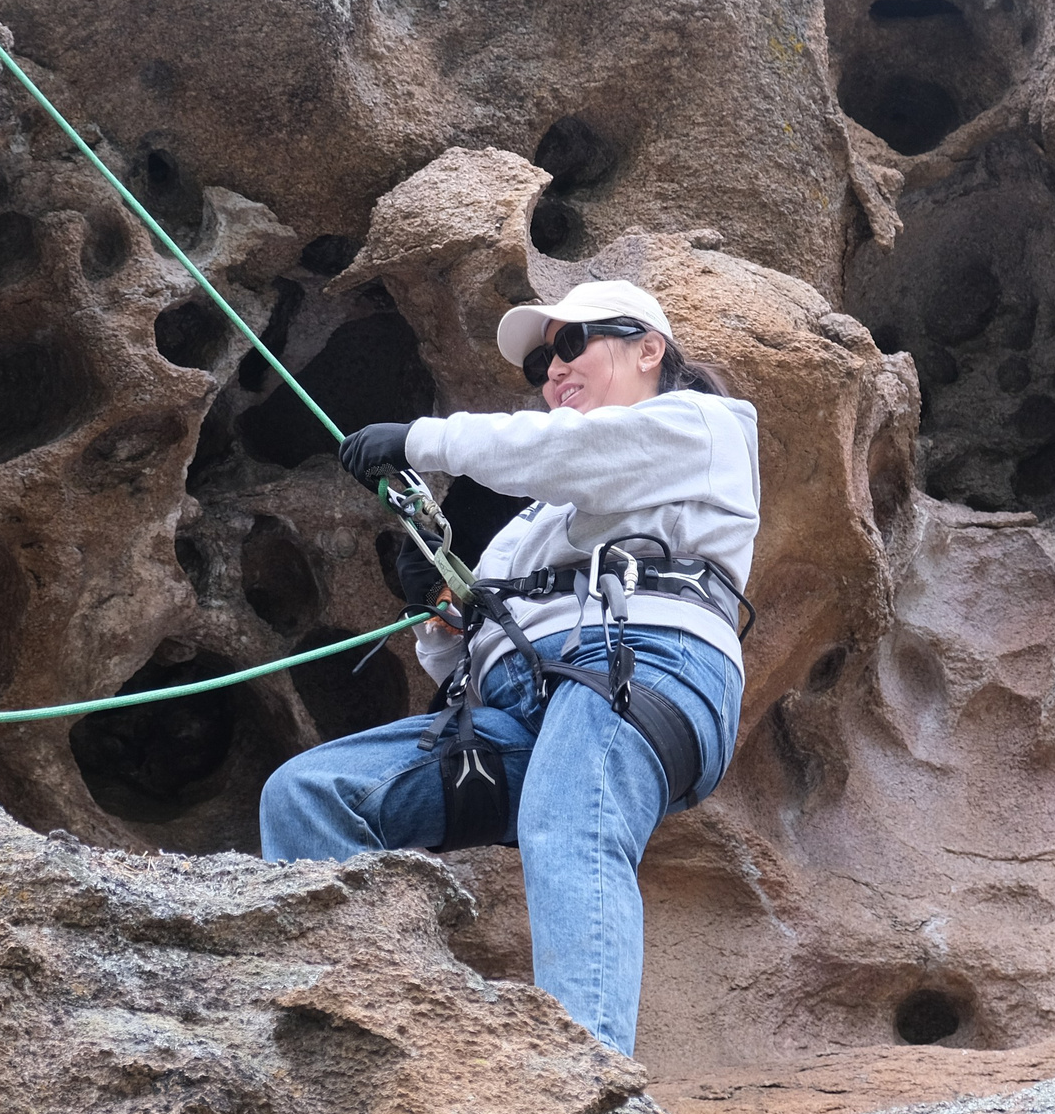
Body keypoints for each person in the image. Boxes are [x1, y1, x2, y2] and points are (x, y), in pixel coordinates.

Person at [258, 278, 761, 1055]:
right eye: (538, 367)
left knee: (568, 816)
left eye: (569, 344)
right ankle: (361, 1047)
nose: (552, 370)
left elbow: (568, 453)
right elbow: (462, 658)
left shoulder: (701, 428)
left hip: (648, 666)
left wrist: (421, 440)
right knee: (307, 794)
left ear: (649, 348)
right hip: (527, 708)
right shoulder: (531, 527)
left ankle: (587, 1080)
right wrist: (441, 611)